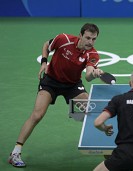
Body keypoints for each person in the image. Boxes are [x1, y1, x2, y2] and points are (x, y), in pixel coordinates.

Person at [8, 23, 103, 168]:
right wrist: (44, 62)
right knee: (37, 115)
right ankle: (15, 153)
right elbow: (46, 45)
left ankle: (74, 110)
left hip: (72, 85)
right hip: (51, 82)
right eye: (88, 38)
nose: (90, 42)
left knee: (91, 110)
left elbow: (89, 75)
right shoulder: (63, 39)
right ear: (81, 35)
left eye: (94, 39)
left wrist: (94, 74)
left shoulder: (93, 54)